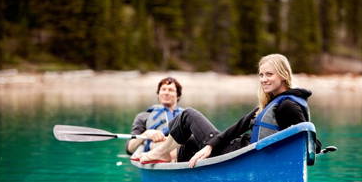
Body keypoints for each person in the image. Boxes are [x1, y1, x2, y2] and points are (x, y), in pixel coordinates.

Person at [136, 54, 321, 167]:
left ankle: (160, 153)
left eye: (269, 74)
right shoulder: (271, 104)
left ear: (283, 75)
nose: (263, 79)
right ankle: (177, 166)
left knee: (187, 115)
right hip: (234, 150)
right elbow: (236, 128)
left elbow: (307, 138)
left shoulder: (287, 105)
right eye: (261, 74)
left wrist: (315, 148)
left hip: (237, 155)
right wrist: (210, 146)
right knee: (190, 142)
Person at [126, 77, 184, 161]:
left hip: (182, 151)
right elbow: (129, 149)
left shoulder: (186, 117)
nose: (166, 93)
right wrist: (146, 134)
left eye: (171, 90)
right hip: (155, 149)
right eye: (163, 89)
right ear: (158, 94)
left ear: (178, 96)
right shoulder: (143, 116)